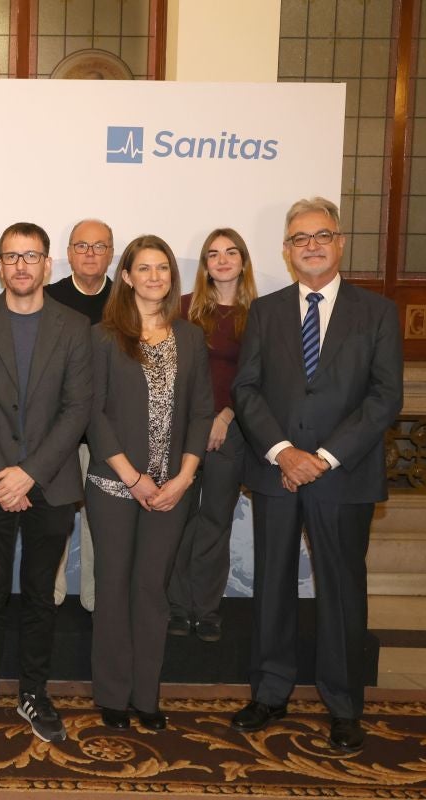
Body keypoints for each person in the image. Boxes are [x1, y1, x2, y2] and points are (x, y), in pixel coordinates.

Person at [230, 197, 402, 753]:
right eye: (299, 238)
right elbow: (247, 388)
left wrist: (322, 458)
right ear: (285, 250)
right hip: (275, 472)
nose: (311, 245)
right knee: (272, 588)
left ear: (340, 242)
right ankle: (270, 692)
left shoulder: (376, 312)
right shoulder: (266, 311)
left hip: (343, 476)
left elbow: (384, 398)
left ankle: (344, 704)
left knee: (342, 593)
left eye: (321, 235)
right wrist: (283, 452)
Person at [0, 222, 92, 743]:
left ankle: (34, 693)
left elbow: (77, 408)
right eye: (11, 257)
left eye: (31, 257)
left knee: (39, 597)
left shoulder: (75, 327)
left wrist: (29, 474)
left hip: (51, 485)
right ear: (0, 266)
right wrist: (3, 476)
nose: (21, 266)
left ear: (47, 264)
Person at [85, 234, 213, 732]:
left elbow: (202, 410)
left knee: (152, 590)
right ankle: (113, 696)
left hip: (173, 489)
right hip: (115, 485)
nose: (155, 276)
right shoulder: (102, 336)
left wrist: (184, 477)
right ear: (127, 276)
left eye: (163, 268)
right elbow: (92, 414)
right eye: (145, 267)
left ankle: (147, 696)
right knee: (114, 586)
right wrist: (133, 477)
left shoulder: (192, 337)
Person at [167, 229, 258, 643]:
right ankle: (175, 606)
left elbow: (262, 377)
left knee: (216, 521)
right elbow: (172, 373)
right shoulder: (184, 310)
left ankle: (205, 608)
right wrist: (200, 422)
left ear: (243, 261)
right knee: (178, 518)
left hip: (232, 430)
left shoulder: (260, 313)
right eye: (213, 254)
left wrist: (224, 417)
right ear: (204, 264)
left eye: (230, 252)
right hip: (184, 429)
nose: (222, 260)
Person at [47, 218, 115, 612]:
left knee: (101, 522)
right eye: (82, 246)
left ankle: (95, 598)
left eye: (99, 246)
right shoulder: (48, 297)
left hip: (108, 433)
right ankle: (50, 594)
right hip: (58, 432)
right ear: (69, 253)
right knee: (55, 520)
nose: (90, 254)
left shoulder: (127, 299)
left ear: (110, 254)